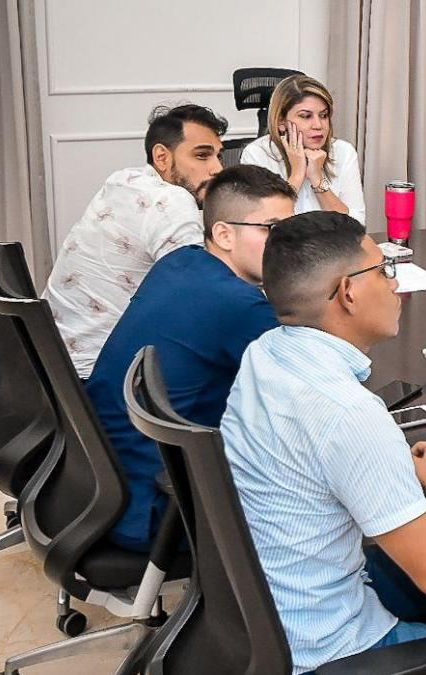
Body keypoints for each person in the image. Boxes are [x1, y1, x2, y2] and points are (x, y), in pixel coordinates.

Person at [221, 213, 426, 674]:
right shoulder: (348, 412)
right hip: (322, 647)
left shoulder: (263, 352)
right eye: (384, 270)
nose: (395, 285)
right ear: (348, 292)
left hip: (261, 610)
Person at [84, 165, 295, 552]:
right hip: (160, 507)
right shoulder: (239, 304)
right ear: (224, 233)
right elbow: (312, 385)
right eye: (272, 230)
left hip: (101, 482)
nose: (287, 246)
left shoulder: (180, 261)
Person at [44, 103, 227, 378]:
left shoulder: (123, 180)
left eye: (218, 156)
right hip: (103, 375)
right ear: (162, 157)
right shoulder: (171, 200)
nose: (217, 169)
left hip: (56, 364)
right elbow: (198, 295)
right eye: (202, 156)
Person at [240, 74, 366, 225]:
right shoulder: (257, 154)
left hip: (331, 247)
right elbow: (262, 226)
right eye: (306, 116)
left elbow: (357, 226)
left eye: (324, 115)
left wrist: (317, 179)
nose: (318, 125)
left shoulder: (343, 152)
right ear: (281, 122)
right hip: (281, 248)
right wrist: (297, 175)